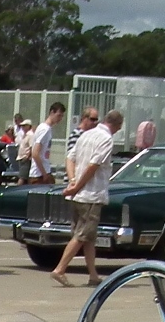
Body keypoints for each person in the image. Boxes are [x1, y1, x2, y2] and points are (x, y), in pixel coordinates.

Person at [52, 109, 122, 287]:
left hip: (79, 195)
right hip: (91, 195)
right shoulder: (106, 139)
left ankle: (93, 274)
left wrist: (73, 181)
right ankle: (60, 268)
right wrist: (77, 185)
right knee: (82, 235)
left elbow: (70, 157)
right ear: (117, 125)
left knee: (88, 237)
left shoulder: (86, 135)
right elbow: (93, 166)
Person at [27, 102, 64, 184]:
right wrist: (44, 174)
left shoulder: (47, 129)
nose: (60, 118)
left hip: (44, 171)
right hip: (39, 175)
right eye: (58, 115)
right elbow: (35, 153)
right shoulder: (45, 129)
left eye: (62, 116)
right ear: (52, 113)